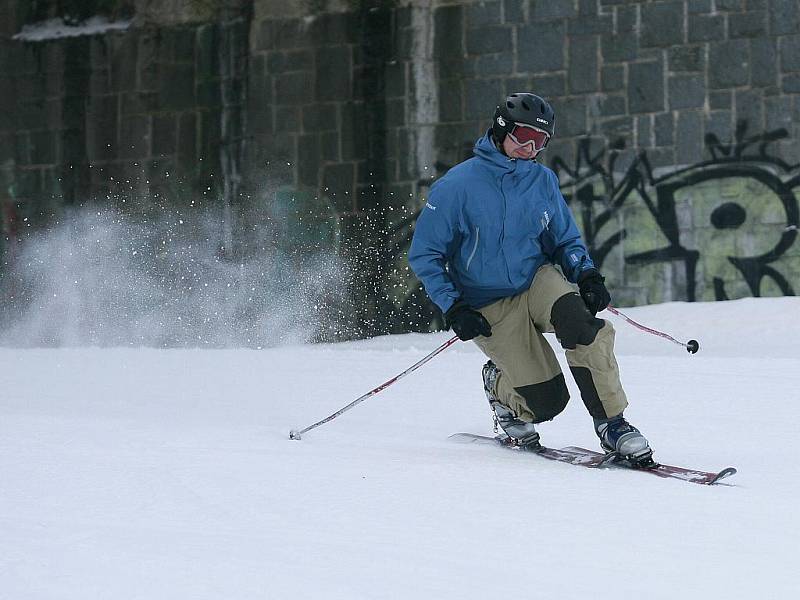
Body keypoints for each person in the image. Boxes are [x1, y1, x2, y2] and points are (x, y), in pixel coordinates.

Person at [408, 92, 654, 465]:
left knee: (582, 325)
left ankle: (613, 425)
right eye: (523, 136)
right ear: (501, 129)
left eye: (540, 141)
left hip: (536, 280)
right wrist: (453, 305)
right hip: (487, 300)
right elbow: (425, 254)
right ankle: (499, 385)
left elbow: (564, 239)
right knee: (546, 402)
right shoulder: (456, 186)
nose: (529, 148)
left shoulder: (542, 181)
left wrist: (584, 273)